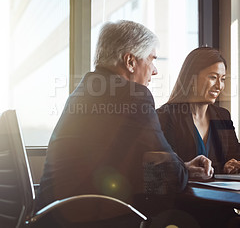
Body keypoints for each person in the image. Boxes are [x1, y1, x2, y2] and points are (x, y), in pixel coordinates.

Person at [35, 20, 213, 227]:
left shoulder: (84, 92)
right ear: (130, 61)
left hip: (51, 215)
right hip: (89, 219)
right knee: (188, 220)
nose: (154, 71)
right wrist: (182, 171)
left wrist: (182, 168)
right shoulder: (133, 95)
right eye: (152, 59)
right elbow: (169, 174)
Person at [157, 47, 240, 175]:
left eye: (222, 79)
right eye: (213, 77)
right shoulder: (166, 116)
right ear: (192, 79)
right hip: (185, 194)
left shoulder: (223, 116)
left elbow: (237, 158)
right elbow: (168, 169)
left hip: (218, 194)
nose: (219, 86)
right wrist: (221, 169)